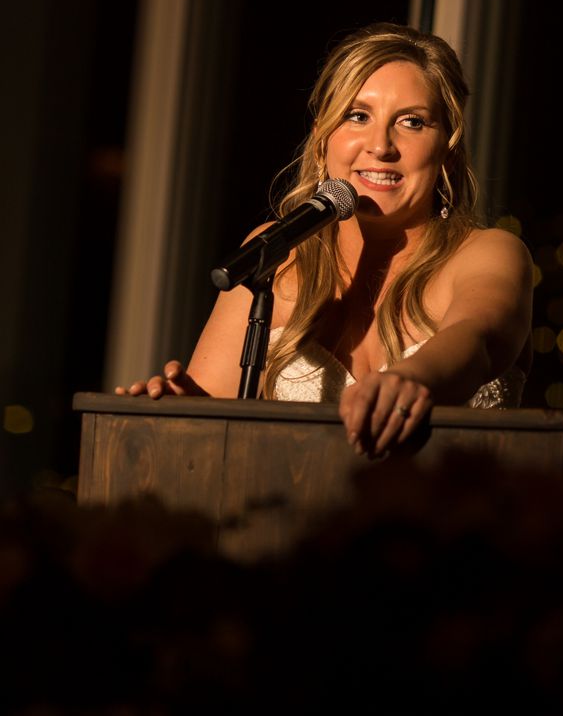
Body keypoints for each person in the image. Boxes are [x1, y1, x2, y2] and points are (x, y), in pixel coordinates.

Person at [115, 24, 532, 442]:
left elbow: (475, 340)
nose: (381, 146)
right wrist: (180, 408)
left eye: (412, 122)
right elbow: (211, 422)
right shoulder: (278, 251)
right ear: (321, 140)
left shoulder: (490, 252)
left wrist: (411, 380)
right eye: (358, 116)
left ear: (448, 148)